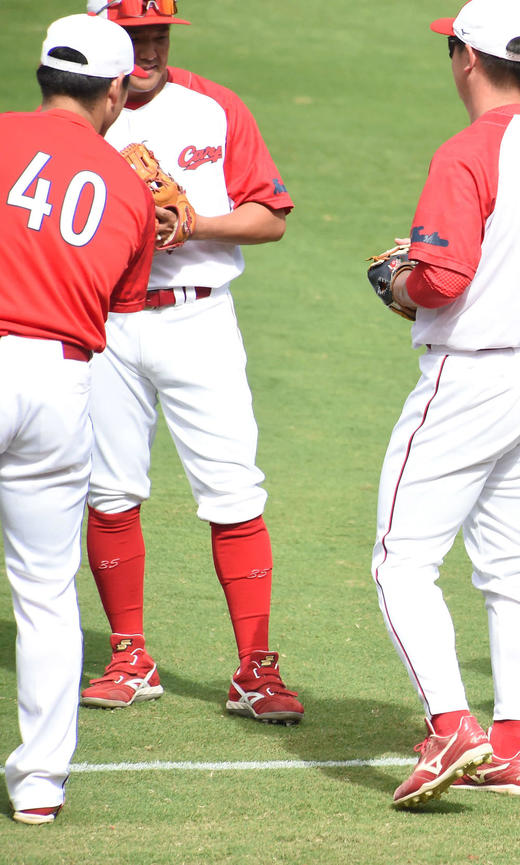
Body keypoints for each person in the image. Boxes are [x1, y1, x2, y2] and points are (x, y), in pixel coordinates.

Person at [371, 0, 520, 808]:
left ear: (466, 57)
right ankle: (510, 749)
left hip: (471, 380)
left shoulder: (467, 152)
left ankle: (450, 723)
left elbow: (444, 278)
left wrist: (399, 280)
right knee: (507, 566)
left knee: (400, 560)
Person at [76, 0, 302, 725]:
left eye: (158, 33)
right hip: (108, 321)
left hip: (200, 318)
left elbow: (270, 215)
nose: (149, 48)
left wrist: (195, 222)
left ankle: (256, 671)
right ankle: (129, 654)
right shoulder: (77, 121)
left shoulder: (213, 107)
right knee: (109, 489)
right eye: (134, 36)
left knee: (234, 490)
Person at [1, 14, 154, 825]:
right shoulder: (128, 187)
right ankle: (40, 784)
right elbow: (119, 302)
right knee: (46, 592)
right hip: (60, 386)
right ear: (118, 92)